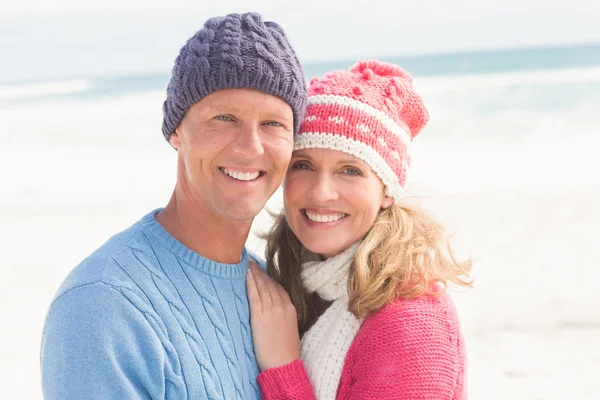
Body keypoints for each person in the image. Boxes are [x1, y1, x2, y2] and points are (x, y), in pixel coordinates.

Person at [40, 12, 307, 399]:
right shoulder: (103, 306)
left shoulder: (274, 295)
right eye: (224, 117)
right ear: (176, 131)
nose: (251, 147)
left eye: (273, 124)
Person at [246, 60, 473, 399]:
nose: (321, 192)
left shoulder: (412, 321)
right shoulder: (298, 283)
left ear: (386, 190)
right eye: (303, 165)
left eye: (349, 171)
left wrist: (283, 368)